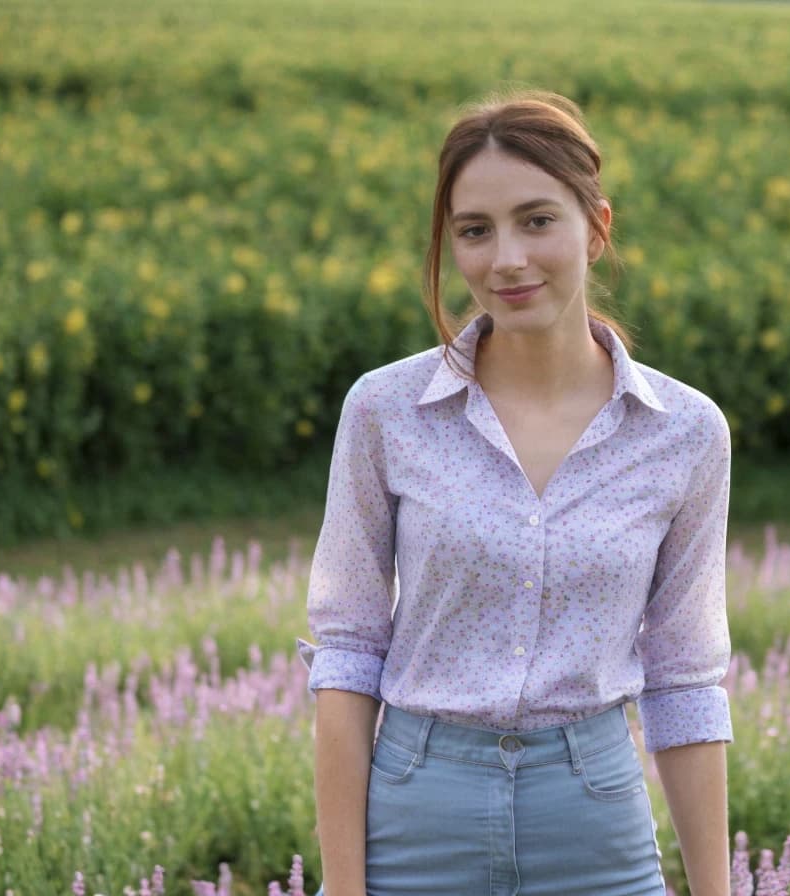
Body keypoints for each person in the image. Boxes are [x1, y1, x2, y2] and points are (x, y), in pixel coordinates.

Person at [296, 89, 733, 896]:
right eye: (474, 231)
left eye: (537, 221)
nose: (506, 260)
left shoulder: (685, 433)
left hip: (595, 823)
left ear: (596, 229)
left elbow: (685, 680)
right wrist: (343, 888)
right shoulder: (385, 412)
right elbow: (348, 653)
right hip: (414, 816)